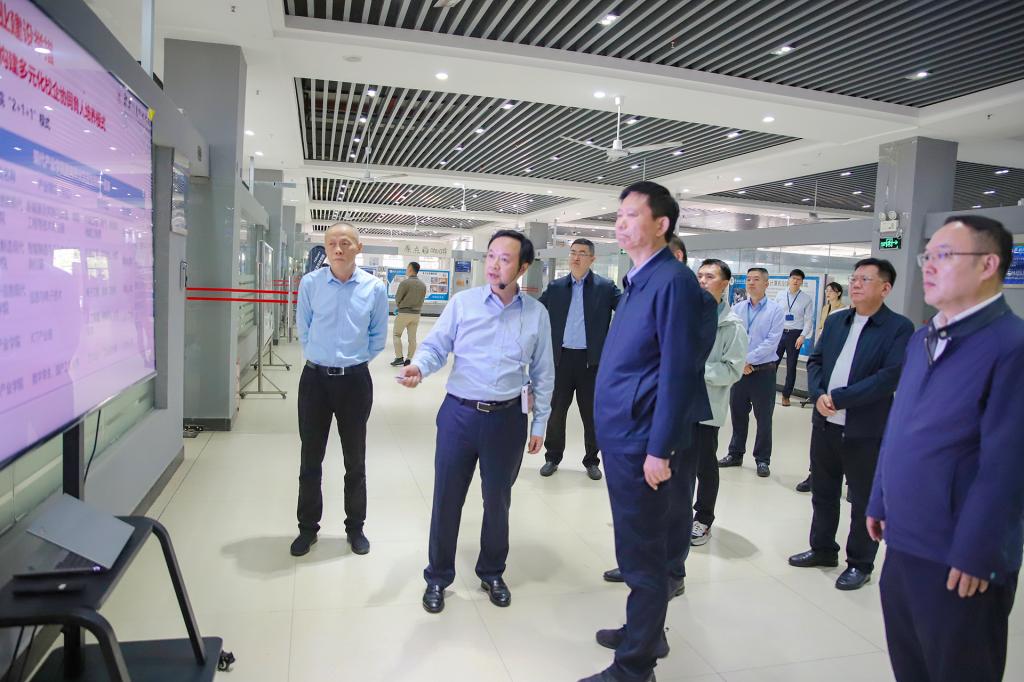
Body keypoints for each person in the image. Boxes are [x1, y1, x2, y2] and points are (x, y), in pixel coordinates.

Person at [868, 216, 1024, 682]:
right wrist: (879, 497)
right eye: (927, 256)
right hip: (904, 539)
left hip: (959, 554)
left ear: (988, 265)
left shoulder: (1011, 346)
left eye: (944, 256)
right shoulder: (924, 338)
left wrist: (979, 551)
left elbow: (1008, 465)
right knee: (911, 664)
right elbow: (898, 425)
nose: (928, 267)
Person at [580, 181, 715, 682]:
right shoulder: (639, 279)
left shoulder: (672, 281)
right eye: (618, 214)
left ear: (662, 224)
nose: (621, 222)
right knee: (634, 546)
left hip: (642, 440)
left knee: (644, 554)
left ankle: (635, 667)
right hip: (623, 434)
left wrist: (660, 449)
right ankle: (643, 632)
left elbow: (678, 370)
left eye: (633, 214)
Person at [397, 230, 554, 615]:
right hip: (460, 415)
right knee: (447, 498)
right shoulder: (463, 303)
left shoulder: (536, 314)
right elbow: (437, 347)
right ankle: (437, 576)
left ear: (523, 267)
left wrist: (539, 425)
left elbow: (544, 372)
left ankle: (492, 572)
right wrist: (419, 367)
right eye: (491, 256)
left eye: (505, 258)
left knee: (498, 501)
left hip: (508, 420)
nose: (494, 265)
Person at [787, 258, 913, 590]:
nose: (855, 284)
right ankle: (822, 549)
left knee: (862, 499)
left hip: (865, 429)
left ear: (885, 288)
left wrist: (840, 398)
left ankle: (860, 563)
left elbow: (889, 377)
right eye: (854, 278)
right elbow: (816, 361)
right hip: (825, 424)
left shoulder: (898, 328)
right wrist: (818, 395)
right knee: (823, 491)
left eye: (865, 280)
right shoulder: (837, 320)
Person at [291, 223, 388, 558]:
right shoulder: (311, 284)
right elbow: (303, 328)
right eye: (331, 242)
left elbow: (378, 336)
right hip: (314, 381)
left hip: (354, 383)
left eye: (345, 243)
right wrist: (322, 357)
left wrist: (352, 361)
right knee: (310, 459)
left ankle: (355, 528)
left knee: (355, 460)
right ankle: (307, 529)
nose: (337, 249)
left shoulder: (374, 288)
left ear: (358, 248)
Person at [538, 238, 621, 480]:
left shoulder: (605, 287)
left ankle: (592, 460)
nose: (576, 257)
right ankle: (552, 457)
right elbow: (536, 312)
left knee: (592, 415)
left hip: (591, 363)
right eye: (573, 252)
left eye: (582, 253)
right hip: (561, 360)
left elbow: (628, 309)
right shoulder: (556, 287)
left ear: (592, 259)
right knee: (556, 413)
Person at [690, 259, 748, 546]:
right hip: (677, 404)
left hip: (706, 406)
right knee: (676, 465)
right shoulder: (685, 314)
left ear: (725, 284)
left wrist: (696, 369)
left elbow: (733, 370)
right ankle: (675, 514)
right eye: (700, 275)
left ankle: (703, 519)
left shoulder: (732, 326)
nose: (702, 280)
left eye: (710, 277)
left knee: (704, 465)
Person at [718, 268, 785, 477]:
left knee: (764, 418)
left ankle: (762, 459)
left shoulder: (776, 310)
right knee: (738, 414)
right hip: (739, 372)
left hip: (763, 371)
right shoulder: (737, 308)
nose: (751, 283)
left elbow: (771, 342)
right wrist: (739, 363)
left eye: (756, 279)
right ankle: (735, 453)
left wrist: (746, 360)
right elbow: (730, 337)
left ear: (766, 284)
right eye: (748, 279)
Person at [796, 280, 850, 493]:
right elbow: (816, 361)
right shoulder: (832, 315)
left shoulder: (843, 311)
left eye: (831, 291)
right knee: (821, 445)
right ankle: (815, 475)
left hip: (851, 401)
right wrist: (817, 393)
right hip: (824, 397)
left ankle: (851, 483)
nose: (828, 293)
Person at [775, 269, 814, 407]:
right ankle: (767, 391)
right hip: (779, 333)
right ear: (789, 279)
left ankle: (786, 396)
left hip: (795, 335)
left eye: (798, 279)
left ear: (802, 282)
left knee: (791, 366)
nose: (795, 281)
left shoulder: (806, 299)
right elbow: (774, 314)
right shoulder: (780, 295)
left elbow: (809, 320)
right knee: (772, 364)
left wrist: (802, 336)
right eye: (793, 278)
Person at [389, 261, 427, 367]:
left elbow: (398, 298)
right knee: (412, 338)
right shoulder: (423, 285)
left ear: (410, 268)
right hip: (416, 315)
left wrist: (399, 306)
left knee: (396, 335)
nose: (406, 270)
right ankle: (409, 359)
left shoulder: (405, 283)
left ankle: (399, 357)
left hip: (404, 313)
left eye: (407, 268)